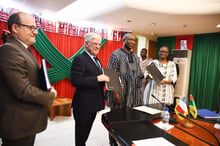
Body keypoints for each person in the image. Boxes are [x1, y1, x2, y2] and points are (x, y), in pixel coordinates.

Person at [0, 12, 57, 146]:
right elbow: (22, 90)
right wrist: (50, 95)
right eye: (31, 28)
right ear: (15, 28)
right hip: (18, 124)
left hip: (25, 123)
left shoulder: (22, 49)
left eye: (35, 28)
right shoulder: (9, 50)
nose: (35, 32)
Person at [71, 32, 110, 146]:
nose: (98, 46)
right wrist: (98, 78)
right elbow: (76, 81)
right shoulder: (80, 59)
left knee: (86, 133)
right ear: (86, 44)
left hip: (93, 104)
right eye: (94, 44)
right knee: (81, 136)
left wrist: (112, 83)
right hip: (83, 106)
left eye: (99, 44)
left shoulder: (96, 59)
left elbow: (98, 80)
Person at [105, 33, 143, 146]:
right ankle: (112, 141)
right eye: (130, 39)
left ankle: (124, 140)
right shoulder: (116, 55)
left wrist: (146, 77)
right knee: (116, 119)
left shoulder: (136, 57)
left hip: (134, 95)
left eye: (134, 40)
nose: (132, 42)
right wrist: (116, 94)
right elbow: (110, 75)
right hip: (120, 93)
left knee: (129, 119)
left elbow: (139, 73)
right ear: (124, 40)